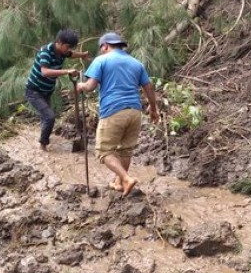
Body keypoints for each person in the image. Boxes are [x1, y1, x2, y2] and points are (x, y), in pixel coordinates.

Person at [75, 32, 159, 197]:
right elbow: (148, 87)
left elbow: (91, 86)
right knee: (125, 150)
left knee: (104, 151)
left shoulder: (102, 60)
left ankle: (126, 178)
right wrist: (154, 108)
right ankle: (119, 183)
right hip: (135, 111)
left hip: (114, 110)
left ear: (105, 46)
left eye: (101, 48)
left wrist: (80, 86)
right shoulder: (136, 63)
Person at [25, 29, 90, 151]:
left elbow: (72, 54)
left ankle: (43, 135)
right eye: (67, 46)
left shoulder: (62, 52)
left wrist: (82, 55)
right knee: (49, 117)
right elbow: (45, 72)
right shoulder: (46, 52)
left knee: (45, 117)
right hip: (34, 91)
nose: (68, 49)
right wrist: (67, 71)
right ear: (59, 42)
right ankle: (43, 145)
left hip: (47, 91)